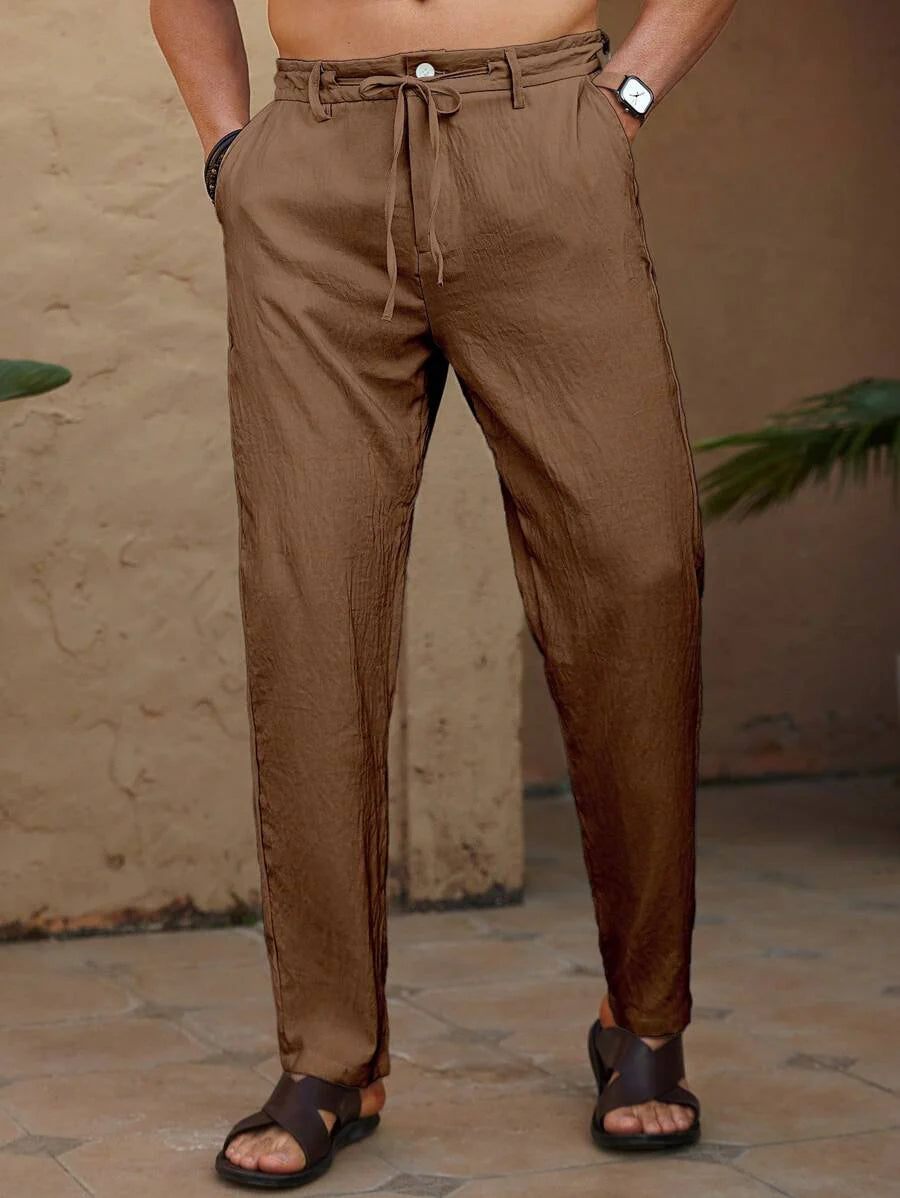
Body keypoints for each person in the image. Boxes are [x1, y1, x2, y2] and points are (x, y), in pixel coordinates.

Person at [150, 0, 738, 1186]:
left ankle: (644, 1017)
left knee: (636, 573)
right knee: (311, 606)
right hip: (318, 167)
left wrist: (621, 96)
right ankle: (329, 1056)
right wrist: (230, 154)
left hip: (544, 141)